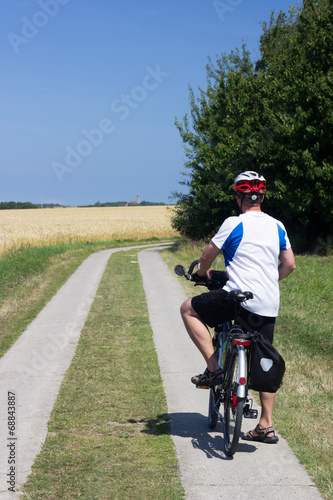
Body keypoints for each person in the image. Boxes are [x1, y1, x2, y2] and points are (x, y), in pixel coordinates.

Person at [180, 171, 296, 444]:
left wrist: (202, 275)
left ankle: (214, 368)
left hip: (237, 299)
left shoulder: (234, 223)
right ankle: (266, 425)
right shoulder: (277, 225)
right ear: (262, 197)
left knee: (188, 309)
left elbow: (208, 255)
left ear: (238, 198)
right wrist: (270, 280)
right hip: (267, 303)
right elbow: (289, 264)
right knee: (266, 357)